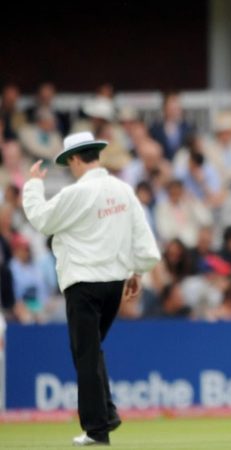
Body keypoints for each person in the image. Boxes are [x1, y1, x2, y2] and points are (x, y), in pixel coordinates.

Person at [22, 131, 160, 446]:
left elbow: (41, 220)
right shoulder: (122, 190)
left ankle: (98, 430)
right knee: (91, 350)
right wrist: (137, 271)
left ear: (73, 159)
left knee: (85, 354)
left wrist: (33, 186)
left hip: (84, 284)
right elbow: (142, 239)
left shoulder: (77, 193)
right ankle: (106, 415)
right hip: (114, 285)